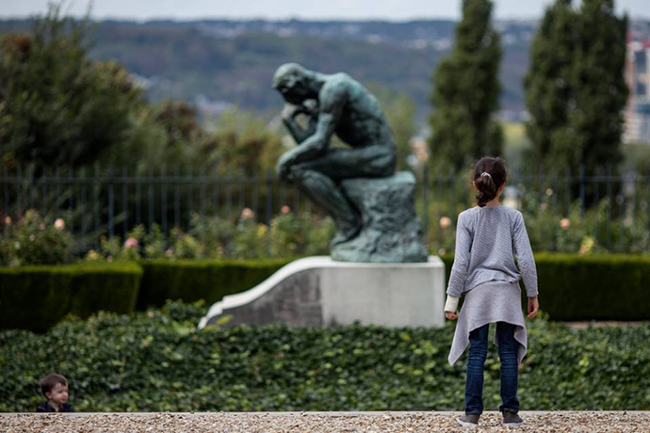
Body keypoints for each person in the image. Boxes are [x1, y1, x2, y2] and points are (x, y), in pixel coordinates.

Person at [444, 156, 539, 427]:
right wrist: (532, 293)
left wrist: (452, 300)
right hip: (507, 292)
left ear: (475, 183)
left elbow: (461, 262)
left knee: (477, 353)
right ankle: (510, 414)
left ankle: (472, 414)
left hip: (477, 293)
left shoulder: (466, 219)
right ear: (503, 185)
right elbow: (526, 259)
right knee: (508, 352)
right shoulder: (514, 217)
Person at [272, 63, 396, 246]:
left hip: (379, 155)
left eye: (289, 97)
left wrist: (286, 160)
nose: (292, 103)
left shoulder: (335, 88)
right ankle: (348, 222)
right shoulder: (318, 98)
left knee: (299, 169)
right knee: (301, 167)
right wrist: (289, 121)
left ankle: (349, 223)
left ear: (297, 85)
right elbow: (309, 145)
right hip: (363, 153)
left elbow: (320, 143)